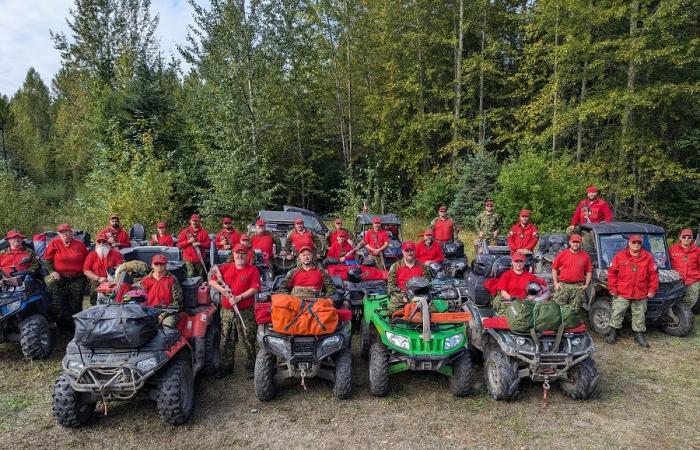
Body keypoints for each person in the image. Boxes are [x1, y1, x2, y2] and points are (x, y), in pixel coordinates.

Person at [209, 244, 261, 379]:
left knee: (248, 338)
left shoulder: (253, 270)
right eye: (237, 253)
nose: (240, 256)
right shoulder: (225, 267)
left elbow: (255, 288)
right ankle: (226, 366)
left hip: (245, 311)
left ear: (247, 255)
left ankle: (251, 366)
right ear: (233, 254)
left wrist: (239, 297)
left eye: (243, 253)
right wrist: (223, 290)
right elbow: (212, 281)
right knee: (227, 338)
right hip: (227, 311)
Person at [607, 235, 659, 348]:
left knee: (639, 314)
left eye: (639, 243)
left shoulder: (648, 257)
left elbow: (654, 275)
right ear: (629, 243)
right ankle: (614, 332)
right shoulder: (620, 256)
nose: (636, 244)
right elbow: (611, 273)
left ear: (641, 244)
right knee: (618, 312)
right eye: (634, 242)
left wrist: (652, 289)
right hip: (622, 291)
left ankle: (638, 335)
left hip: (640, 292)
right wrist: (612, 288)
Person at [44, 224, 88, 329]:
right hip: (60, 276)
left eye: (67, 231)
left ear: (72, 232)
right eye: (62, 232)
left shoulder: (80, 244)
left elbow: (87, 260)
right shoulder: (54, 243)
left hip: (77, 277)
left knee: (76, 303)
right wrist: (52, 271)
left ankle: (76, 326)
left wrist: (86, 274)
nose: (65, 234)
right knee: (57, 301)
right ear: (59, 234)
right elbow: (48, 260)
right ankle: (60, 325)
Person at [141, 254, 183, 329]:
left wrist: (163, 315)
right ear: (152, 265)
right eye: (156, 264)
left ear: (166, 265)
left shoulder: (172, 279)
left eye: (162, 264)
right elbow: (140, 299)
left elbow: (178, 301)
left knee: (167, 325)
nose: (159, 266)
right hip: (150, 312)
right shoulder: (145, 280)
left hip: (169, 312)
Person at [387, 241, 431, 313]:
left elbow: (427, 283)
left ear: (415, 251)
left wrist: (419, 296)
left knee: (434, 309)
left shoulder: (423, 266)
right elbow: (390, 287)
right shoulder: (395, 266)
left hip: (419, 295)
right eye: (407, 251)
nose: (409, 253)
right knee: (392, 310)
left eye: (411, 250)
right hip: (401, 296)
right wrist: (403, 296)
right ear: (403, 252)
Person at [551, 234, 592, 311]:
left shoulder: (585, 256)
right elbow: (554, 269)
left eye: (578, 242)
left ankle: (572, 323)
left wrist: (586, 284)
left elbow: (589, 271)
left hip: (578, 287)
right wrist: (556, 283)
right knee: (558, 309)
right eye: (574, 242)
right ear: (570, 242)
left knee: (574, 311)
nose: (575, 244)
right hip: (563, 286)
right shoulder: (562, 254)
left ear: (581, 243)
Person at [83, 232, 124, 305]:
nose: (102, 244)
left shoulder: (116, 254)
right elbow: (86, 271)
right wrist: (98, 278)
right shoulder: (92, 255)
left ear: (108, 243)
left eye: (104, 241)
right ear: (96, 244)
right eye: (99, 242)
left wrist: (113, 280)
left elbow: (120, 268)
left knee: (114, 302)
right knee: (95, 302)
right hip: (97, 281)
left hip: (113, 282)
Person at [669, 228, 699, 310]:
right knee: (673, 299)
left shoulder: (697, 251)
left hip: (692, 280)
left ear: (692, 238)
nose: (686, 239)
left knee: (691, 299)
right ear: (680, 238)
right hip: (677, 280)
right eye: (684, 237)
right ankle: (674, 313)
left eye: (689, 237)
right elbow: (666, 262)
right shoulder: (672, 249)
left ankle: (682, 313)